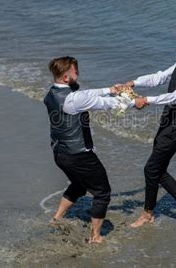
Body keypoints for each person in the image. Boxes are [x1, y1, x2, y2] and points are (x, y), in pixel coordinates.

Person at [43, 56, 145, 243]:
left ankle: (56, 218)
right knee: (103, 192)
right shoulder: (73, 99)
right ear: (66, 78)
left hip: (59, 153)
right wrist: (134, 102)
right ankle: (95, 236)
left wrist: (110, 90)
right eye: (75, 72)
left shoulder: (51, 93)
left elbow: (87, 94)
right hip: (79, 155)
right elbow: (107, 104)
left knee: (79, 185)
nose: (78, 74)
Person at [120, 29, 176, 228]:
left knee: (151, 169)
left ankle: (148, 214)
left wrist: (146, 100)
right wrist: (135, 82)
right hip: (167, 122)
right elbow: (159, 77)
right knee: (157, 170)